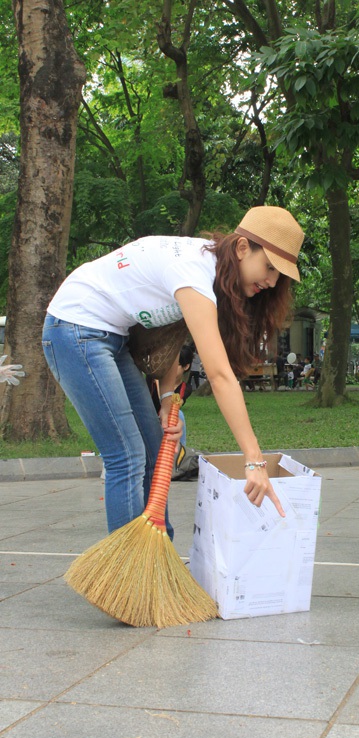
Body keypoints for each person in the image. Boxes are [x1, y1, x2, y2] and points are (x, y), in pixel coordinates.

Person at [42, 206, 305, 537]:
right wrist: (253, 460)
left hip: (112, 336)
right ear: (241, 248)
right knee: (126, 456)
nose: (271, 281)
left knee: (154, 450)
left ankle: (157, 554)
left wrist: (167, 395)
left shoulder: (210, 273)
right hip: (74, 328)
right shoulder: (194, 273)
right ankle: (129, 576)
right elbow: (220, 375)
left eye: (278, 274)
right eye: (269, 267)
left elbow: (166, 337)